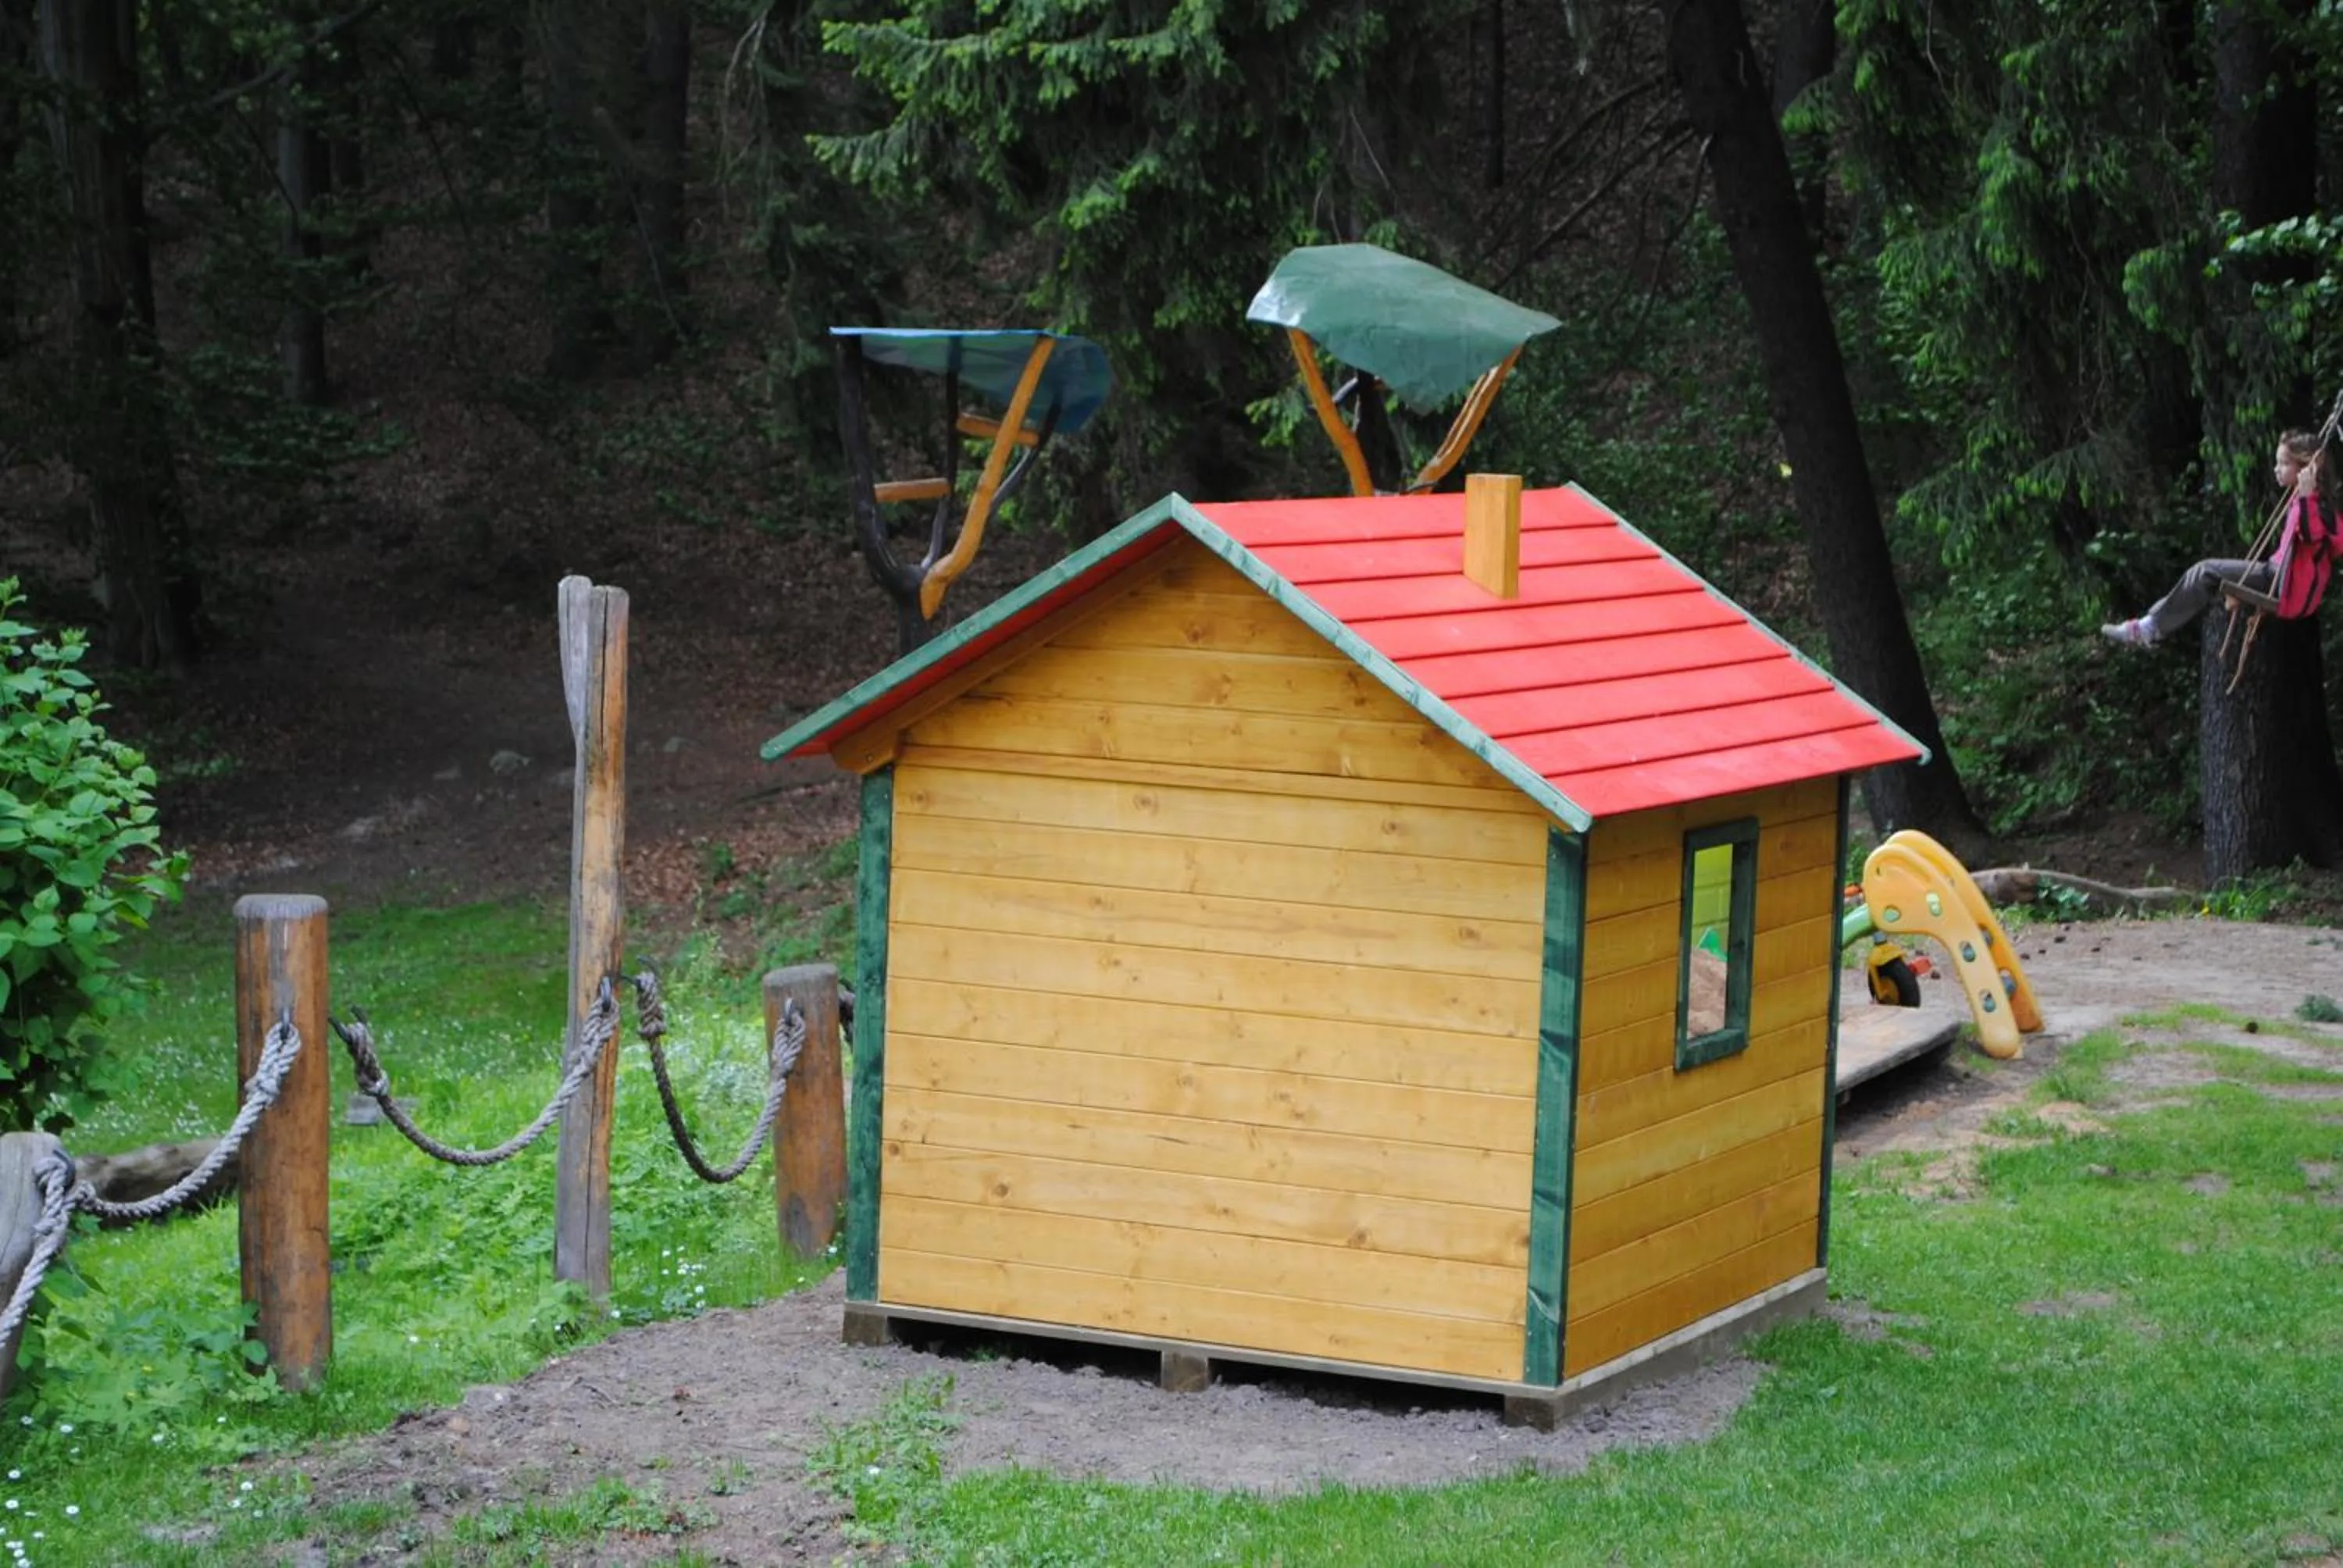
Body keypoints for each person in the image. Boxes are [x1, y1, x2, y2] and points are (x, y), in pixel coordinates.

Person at [2101, 429, 2340, 647]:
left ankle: (2148, 628)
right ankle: (2150, 626)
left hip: (2281, 584)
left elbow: (2313, 538)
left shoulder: (2315, 506)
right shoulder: (2304, 501)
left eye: (2284, 463)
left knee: (2205, 571)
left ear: (2305, 467)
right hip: (2275, 575)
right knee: (2209, 573)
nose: (2277, 469)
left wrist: (2307, 498)